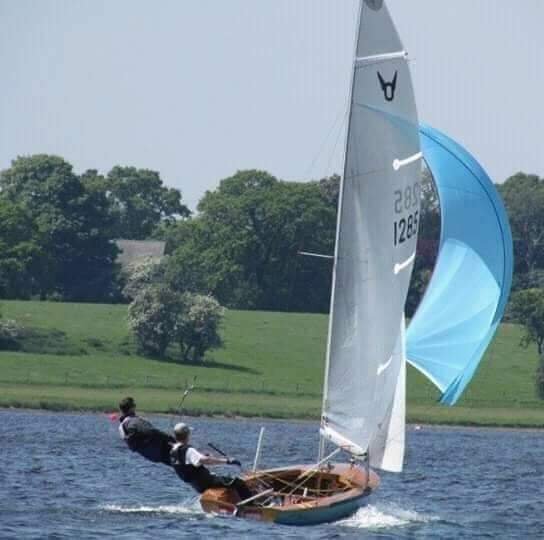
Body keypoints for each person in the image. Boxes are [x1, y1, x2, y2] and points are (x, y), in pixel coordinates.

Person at [170, 422, 252, 501]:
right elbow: (206, 461)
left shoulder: (173, 451)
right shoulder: (188, 450)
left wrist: (203, 456)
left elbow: (188, 463)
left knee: (225, 479)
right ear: (187, 435)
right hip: (207, 482)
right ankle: (251, 505)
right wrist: (227, 461)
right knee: (238, 482)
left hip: (197, 486)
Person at [118, 396, 175, 466]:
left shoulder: (122, 426)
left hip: (153, 456)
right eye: (134, 405)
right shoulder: (134, 422)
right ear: (130, 409)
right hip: (163, 450)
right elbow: (152, 431)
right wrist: (170, 438)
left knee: (181, 467)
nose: (135, 407)